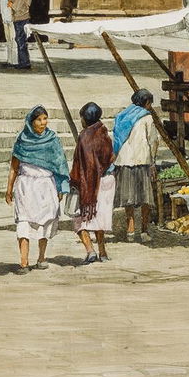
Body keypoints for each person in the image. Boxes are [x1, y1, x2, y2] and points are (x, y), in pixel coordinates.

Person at [6, 105, 66, 272]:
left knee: (45, 222)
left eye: (45, 119)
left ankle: (41, 257)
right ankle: (24, 262)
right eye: (39, 120)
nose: (43, 123)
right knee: (24, 222)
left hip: (46, 185)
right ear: (31, 122)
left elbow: (60, 165)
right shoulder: (22, 140)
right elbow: (14, 167)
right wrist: (9, 188)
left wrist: (61, 188)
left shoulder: (53, 139)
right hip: (26, 186)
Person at [111, 89, 161, 242]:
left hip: (124, 161)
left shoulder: (123, 116)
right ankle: (144, 231)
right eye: (150, 103)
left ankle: (130, 230)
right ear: (146, 103)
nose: (150, 106)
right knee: (145, 197)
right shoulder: (147, 117)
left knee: (128, 197)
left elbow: (116, 138)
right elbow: (153, 141)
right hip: (142, 161)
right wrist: (153, 160)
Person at [70, 102, 116, 264]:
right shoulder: (104, 133)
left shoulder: (84, 137)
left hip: (89, 184)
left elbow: (80, 162)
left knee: (79, 218)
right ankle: (102, 252)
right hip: (106, 180)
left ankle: (90, 250)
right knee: (100, 218)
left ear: (85, 119)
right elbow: (111, 156)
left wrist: (75, 180)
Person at [9, 0, 33, 70]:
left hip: (20, 16)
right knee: (20, 39)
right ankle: (23, 61)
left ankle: (24, 62)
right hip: (19, 16)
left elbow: (18, 3)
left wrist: (11, 5)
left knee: (20, 39)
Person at [0, 0, 18, 65]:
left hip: (14, 17)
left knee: (14, 38)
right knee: (8, 39)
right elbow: (1, 3)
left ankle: (15, 60)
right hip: (5, 16)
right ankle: (9, 59)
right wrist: (2, 15)